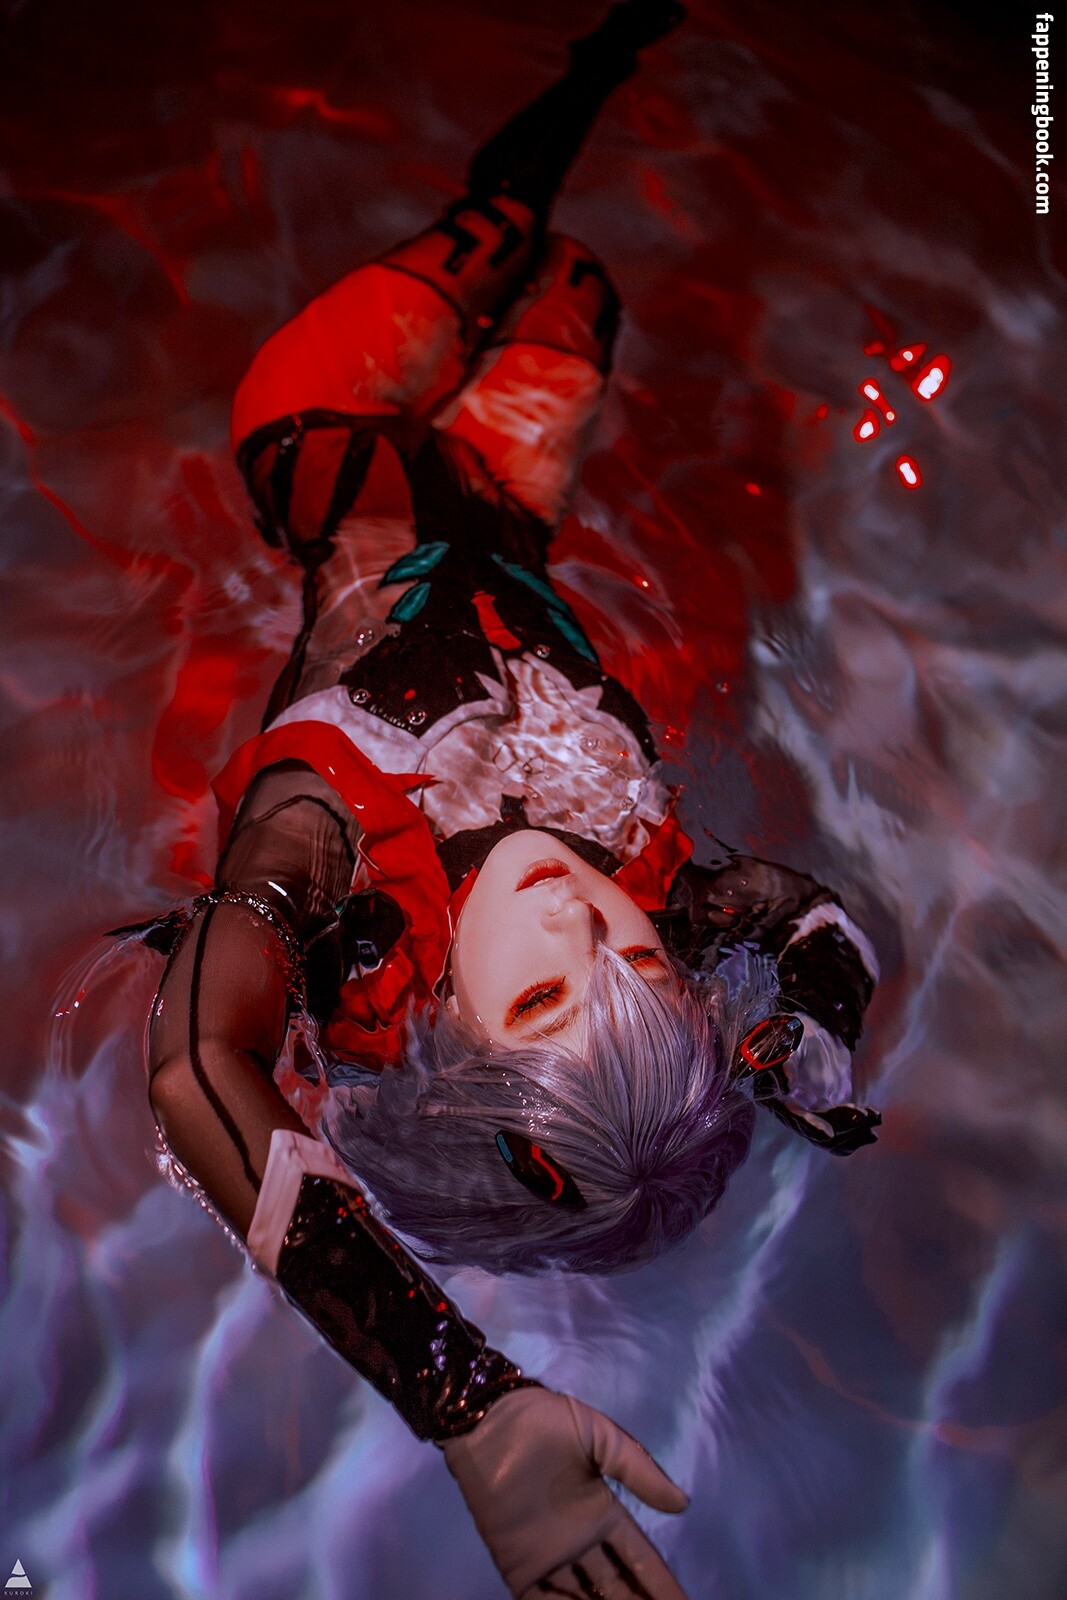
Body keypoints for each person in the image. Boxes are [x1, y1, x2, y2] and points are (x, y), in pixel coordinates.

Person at [133, 3, 880, 1595]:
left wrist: (462, 1405)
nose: (588, 919)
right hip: (507, 510)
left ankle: (586, 71)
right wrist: (809, 1034)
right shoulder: (652, 886)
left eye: (543, 995)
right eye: (649, 964)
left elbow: (199, 1068)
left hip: (330, 434)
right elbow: (821, 918)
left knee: (504, 236)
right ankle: (598, 64)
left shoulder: (336, 865)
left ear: (459, 1047)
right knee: (579, 284)